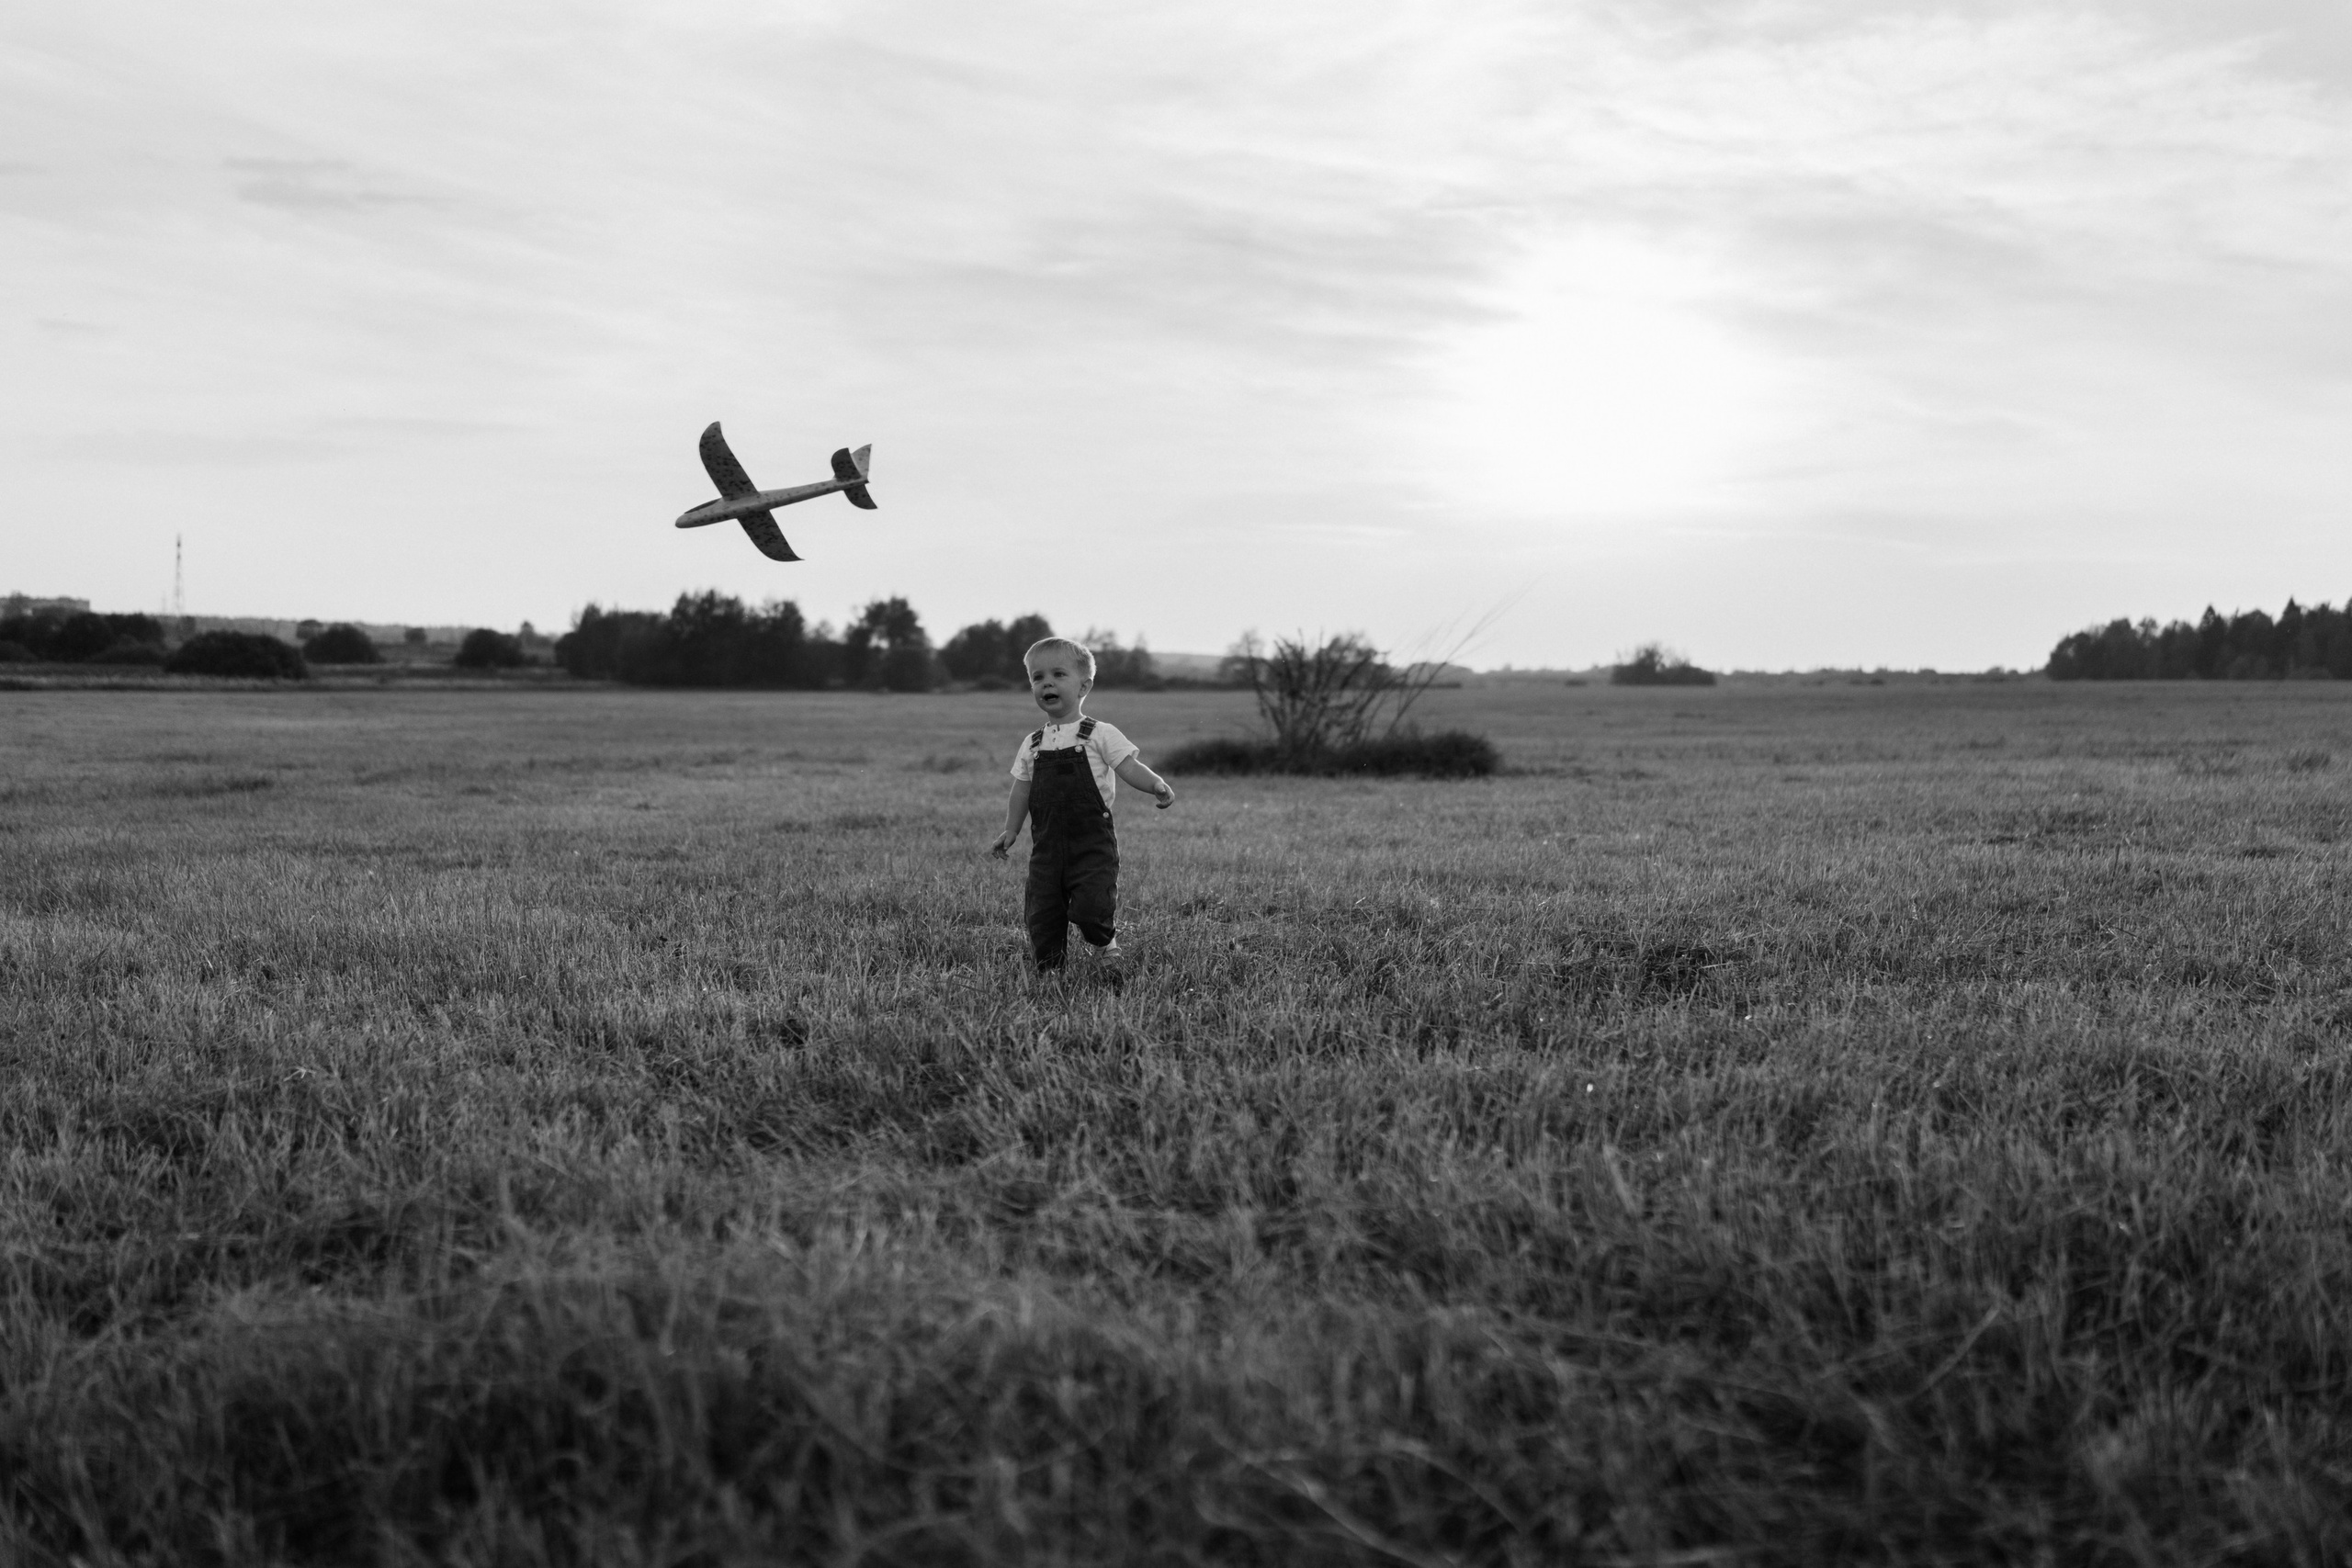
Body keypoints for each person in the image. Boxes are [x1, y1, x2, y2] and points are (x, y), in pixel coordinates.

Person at [989, 637, 1175, 970]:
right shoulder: (1033, 743)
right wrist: (1011, 829)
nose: (1047, 683)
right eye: (1037, 677)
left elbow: (1129, 766)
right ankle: (1050, 971)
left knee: (1092, 907)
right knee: (1042, 913)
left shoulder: (1099, 733)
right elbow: (1022, 789)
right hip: (1047, 847)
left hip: (1091, 843)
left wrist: (1155, 784)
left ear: (1084, 686)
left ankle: (1106, 946)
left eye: (1058, 674)